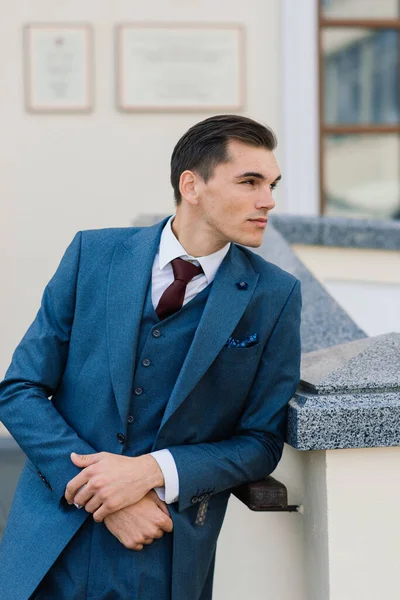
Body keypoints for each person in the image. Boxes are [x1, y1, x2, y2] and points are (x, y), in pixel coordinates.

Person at [0, 114, 302, 600]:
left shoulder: (275, 295)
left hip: (165, 543)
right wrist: (104, 496)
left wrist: (152, 471)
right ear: (192, 185)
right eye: (249, 181)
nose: (267, 200)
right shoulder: (92, 255)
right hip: (53, 538)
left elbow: (261, 441)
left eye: (271, 184)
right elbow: (20, 390)